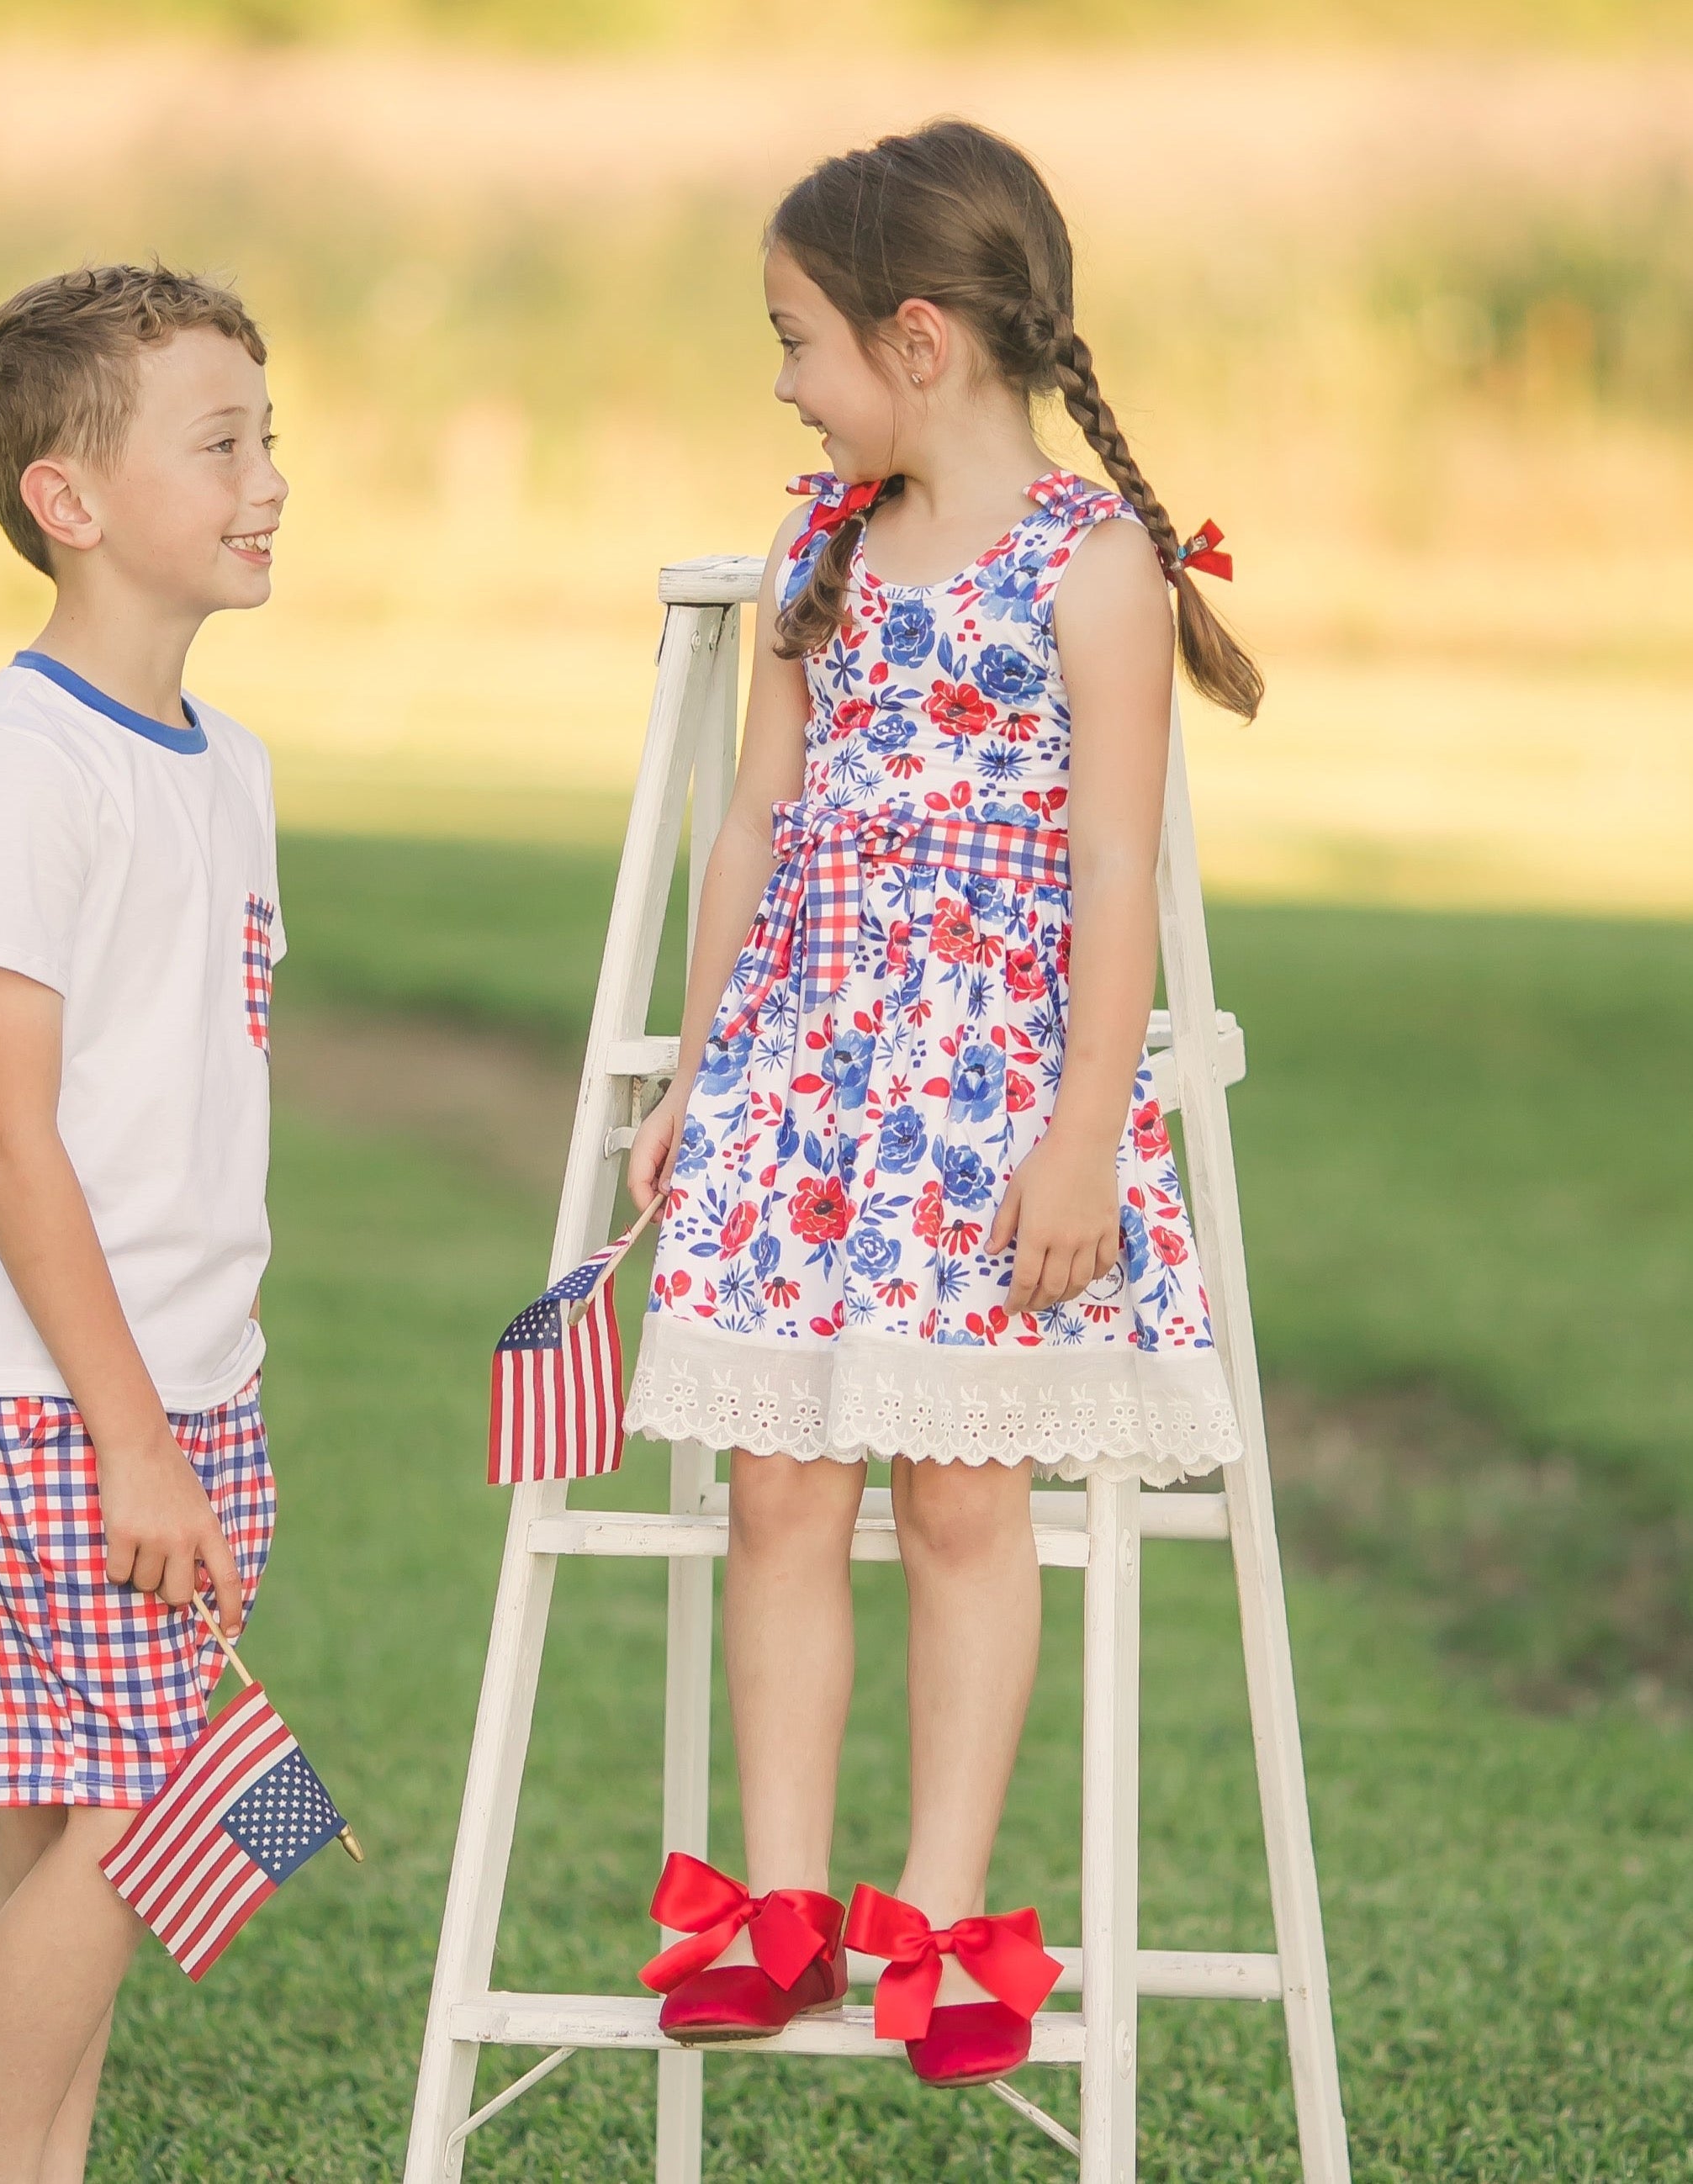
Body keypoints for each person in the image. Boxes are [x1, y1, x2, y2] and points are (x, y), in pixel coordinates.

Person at [621, 121, 1258, 2089]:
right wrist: (701, 1071)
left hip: (983, 1111)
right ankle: (781, 1903)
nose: (783, 386)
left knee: (965, 1497)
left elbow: (1115, 872)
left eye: (794, 340)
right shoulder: (818, 551)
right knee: (780, 1488)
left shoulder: (1095, 565)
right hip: (807, 1095)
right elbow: (754, 823)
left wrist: (1084, 1138)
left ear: (915, 339)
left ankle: (944, 1907)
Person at [0, 263, 288, 2182]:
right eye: (221, 445)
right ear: (72, 498)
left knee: (80, 1832)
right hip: (46, 1393)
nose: (269, 481)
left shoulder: (228, 765)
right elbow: (8, 1137)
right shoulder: (21, 767)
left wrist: (184, 1408)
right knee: (153, 1814)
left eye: (268, 438)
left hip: (180, 1384)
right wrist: (134, 1438)